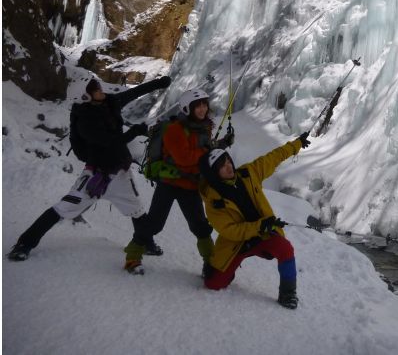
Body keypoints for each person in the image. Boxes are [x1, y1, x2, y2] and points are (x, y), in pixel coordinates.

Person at [8, 75, 171, 272]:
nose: (102, 92)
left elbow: (133, 93)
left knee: (136, 208)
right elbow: (110, 141)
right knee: (64, 207)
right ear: (86, 98)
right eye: (97, 91)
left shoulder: (110, 102)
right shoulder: (83, 121)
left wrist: (160, 83)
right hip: (96, 175)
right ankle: (25, 243)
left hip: (120, 171)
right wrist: (135, 132)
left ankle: (145, 242)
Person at [126, 88, 233, 274]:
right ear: (187, 108)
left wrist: (222, 144)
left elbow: (205, 149)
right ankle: (132, 256)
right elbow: (184, 158)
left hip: (191, 185)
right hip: (170, 183)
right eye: (197, 106)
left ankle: (211, 264)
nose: (202, 109)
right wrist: (208, 152)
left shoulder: (205, 127)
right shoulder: (175, 129)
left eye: (204, 105)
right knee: (155, 224)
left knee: (200, 226)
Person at [198, 132, 310, 309]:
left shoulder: (248, 174)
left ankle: (288, 294)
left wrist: (296, 145)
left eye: (228, 161)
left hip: (262, 233)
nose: (228, 167)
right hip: (236, 242)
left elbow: (272, 158)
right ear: (213, 174)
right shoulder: (213, 200)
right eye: (222, 166)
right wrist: (260, 225)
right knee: (213, 284)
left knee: (285, 249)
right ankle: (217, 267)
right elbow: (230, 231)